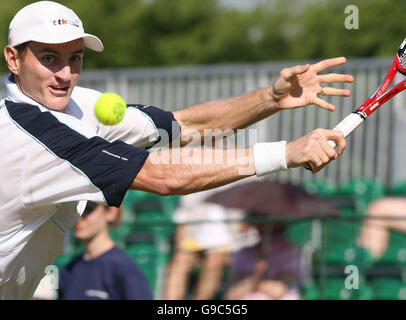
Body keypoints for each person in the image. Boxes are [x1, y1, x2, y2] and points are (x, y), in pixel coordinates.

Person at [0, 1, 351, 299]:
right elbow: (160, 176)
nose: (65, 74)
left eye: (74, 58)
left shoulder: (76, 105)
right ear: (13, 60)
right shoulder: (28, 136)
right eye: (49, 58)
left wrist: (270, 99)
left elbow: (183, 127)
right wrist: (285, 153)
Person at [57, 201, 152, 300]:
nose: (79, 217)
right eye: (76, 210)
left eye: (87, 210)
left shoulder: (123, 268)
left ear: (111, 212)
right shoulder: (70, 269)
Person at [224, 223, 303, 300]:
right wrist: (256, 276)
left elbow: (280, 291)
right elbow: (231, 295)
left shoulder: (290, 251)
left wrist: (255, 283)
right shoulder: (244, 253)